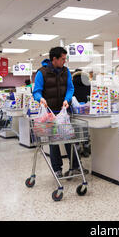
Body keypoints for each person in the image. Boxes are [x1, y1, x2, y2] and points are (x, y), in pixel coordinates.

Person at [32, 47, 79, 178]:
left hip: (64, 111)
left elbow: (70, 88)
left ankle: (75, 166)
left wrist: (67, 100)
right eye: (63, 59)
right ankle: (57, 169)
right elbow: (36, 91)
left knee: (69, 138)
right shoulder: (42, 73)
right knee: (53, 142)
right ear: (54, 59)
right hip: (50, 113)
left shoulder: (66, 71)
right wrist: (40, 99)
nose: (65, 61)